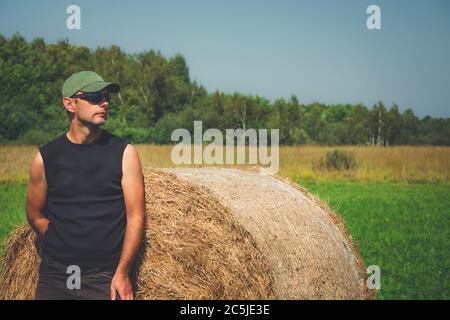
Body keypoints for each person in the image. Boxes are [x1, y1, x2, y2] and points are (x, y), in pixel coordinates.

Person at [26, 71, 145, 300]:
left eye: (106, 96)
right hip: (55, 275)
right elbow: (34, 212)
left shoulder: (124, 153)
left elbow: (136, 217)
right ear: (70, 104)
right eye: (94, 96)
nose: (105, 102)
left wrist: (122, 272)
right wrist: (60, 237)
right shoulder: (45, 157)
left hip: (104, 276)